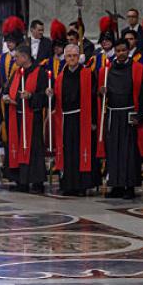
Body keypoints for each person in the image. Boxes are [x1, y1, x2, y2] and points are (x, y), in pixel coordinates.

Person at [53, 41, 100, 196]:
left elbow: (93, 98)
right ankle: (68, 185)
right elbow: (57, 100)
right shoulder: (60, 77)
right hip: (66, 119)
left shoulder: (87, 74)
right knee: (67, 151)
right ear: (64, 58)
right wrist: (50, 94)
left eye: (74, 56)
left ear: (78, 57)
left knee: (82, 151)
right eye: (68, 56)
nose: (71, 59)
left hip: (82, 118)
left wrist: (93, 120)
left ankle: (81, 186)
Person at [102, 39, 143, 199]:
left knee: (129, 152)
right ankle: (116, 185)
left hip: (129, 114)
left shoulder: (138, 68)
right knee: (114, 151)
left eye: (123, 50)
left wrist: (139, 115)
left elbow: (142, 94)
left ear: (129, 51)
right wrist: (102, 91)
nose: (120, 54)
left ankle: (130, 186)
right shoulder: (107, 69)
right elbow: (100, 92)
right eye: (118, 51)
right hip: (113, 114)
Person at [5, 49, 47, 193]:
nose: (14, 59)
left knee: (33, 149)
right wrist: (6, 97)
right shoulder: (17, 72)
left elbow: (45, 96)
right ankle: (21, 181)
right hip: (17, 116)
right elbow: (8, 89)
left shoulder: (40, 72)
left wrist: (30, 96)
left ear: (25, 57)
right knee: (18, 147)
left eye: (17, 57)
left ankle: (37, 182)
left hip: (32, 117)